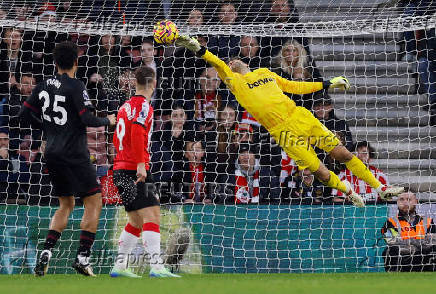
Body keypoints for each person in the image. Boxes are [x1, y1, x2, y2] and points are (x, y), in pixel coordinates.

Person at [175, 35, 404, 207]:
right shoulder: (234, 83)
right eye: (229, 64)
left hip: (300, 116)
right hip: (282, 131)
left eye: (234, 61)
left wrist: (327, 83)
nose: (232, 63)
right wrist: (199, 49)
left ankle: (380, 188)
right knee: (321, 173)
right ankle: (347, 191)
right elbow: (217, 63)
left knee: (343, 154)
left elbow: (295, 87)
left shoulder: (266, 73)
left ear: (243, 62)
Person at [19, 41, 117, 277]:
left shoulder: (43, 85)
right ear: (76, 62)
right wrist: (108, 121)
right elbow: (87, 119)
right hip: (74, 153)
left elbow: (23, 114)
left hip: (51, 153)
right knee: (94, 202)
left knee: (66, 204)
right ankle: (83, 258)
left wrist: (48, 129)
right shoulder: (76, 85)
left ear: (54, 63)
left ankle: (47, 252)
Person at [110, 66, 179, 278]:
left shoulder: (125, 106)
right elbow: (138, 133)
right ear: (154, 84)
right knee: (153, 214)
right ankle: (157, 266)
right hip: (134, 169)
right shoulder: (143, 107)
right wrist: (141, 164)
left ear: (136, 83)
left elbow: (116, 138)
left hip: (121, 168)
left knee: (135, 221)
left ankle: (119, 266)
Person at [382, 192, 436, 272]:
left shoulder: (427, 221)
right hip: (403, 258)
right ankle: (393, 280)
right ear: (397, 202)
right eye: (401, 199)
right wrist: (421, 242)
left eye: (409, 199)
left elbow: (433, 241)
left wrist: (410, 243)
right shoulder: (390, 222)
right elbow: (391, 242)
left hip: (424, 257)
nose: (405, 202)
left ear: (416, 202)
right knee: (390, 250)